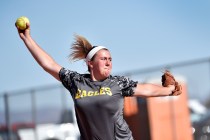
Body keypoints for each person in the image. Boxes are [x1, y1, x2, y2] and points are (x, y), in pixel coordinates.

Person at [16, 23, 179, 140]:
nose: (108, 62)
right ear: (90, 63)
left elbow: (145, 90)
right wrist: (27, 38)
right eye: (103, 59)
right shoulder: (76, 82)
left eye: (110, 59)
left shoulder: (118, 83)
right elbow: (49, 64)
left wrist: (169, 89)